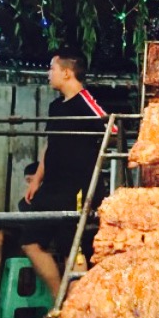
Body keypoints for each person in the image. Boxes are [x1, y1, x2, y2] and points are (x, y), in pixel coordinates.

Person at [22, 49, 110, 300]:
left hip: (78, 187)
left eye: (52, 68)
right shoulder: (55, 106)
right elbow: (50, 144)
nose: (48, 73)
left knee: (73, 248)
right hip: (51, 186)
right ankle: (58, 302)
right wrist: (37, 179)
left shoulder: (86, 101)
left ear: (67, 73)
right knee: (30, 241)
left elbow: (112, 130)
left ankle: (74, 309)